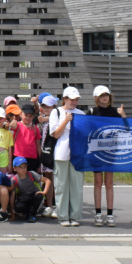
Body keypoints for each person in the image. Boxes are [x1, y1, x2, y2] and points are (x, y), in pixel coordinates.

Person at [86, 86, 125, 227]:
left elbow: (126, 128)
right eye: (102, 95)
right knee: (98, 182)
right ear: (96, 97)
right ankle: (98, 213)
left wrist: (123, 115)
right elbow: (84, 127)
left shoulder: (115, 112)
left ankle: (109, 214)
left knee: (109, 183)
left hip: (110, 151)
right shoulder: (92, 111)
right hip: (96, 151)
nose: (105, 97)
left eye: (106, 95)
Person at [49, 86, 85, 227]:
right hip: (61, 153)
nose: (74, 102)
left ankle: (75, 216)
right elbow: (55, 134)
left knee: (76, 186)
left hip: (77, 154)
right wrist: (65, 121)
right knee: (61, 186)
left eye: (76, 99)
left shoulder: (81, 113)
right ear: (64, 99)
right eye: (71, 99)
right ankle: (63, 215)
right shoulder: (56, 112)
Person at [12, 157, 45, 223]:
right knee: (18, 207)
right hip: (24, 197)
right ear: (14, 168)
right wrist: (12, 214)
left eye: (25, 166)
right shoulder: (14, 179)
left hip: (34, 196)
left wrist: (44, 192)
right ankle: (28, 213)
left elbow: (47, 181)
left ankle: (33, 214)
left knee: (39, 195)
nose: (23, 169)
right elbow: (12, 196)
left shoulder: (31, 174)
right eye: (20, 167)